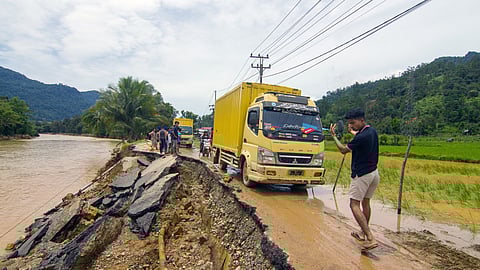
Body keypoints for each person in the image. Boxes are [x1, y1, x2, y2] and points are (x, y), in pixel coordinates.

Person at [329, 108, 380, 251]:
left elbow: (343, 150)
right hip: (374, 173)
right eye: (350, 123)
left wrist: (333, 136)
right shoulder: (371, 132)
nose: (351, 126)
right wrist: (353, 132)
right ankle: (363, 233)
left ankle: (370, 237)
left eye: (353, 123)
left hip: (362, 174)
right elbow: (358, 135)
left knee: (354, 204)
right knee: (366, 202)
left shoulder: (360, 137)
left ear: (362, 120)